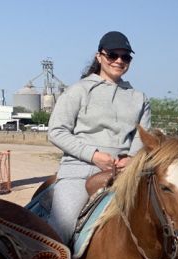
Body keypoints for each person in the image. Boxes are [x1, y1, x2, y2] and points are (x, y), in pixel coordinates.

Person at [47, 31, 150, 245]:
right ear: (99, 57)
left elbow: (142, 137)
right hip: (80, 170)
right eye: (113, 55)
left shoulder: (139, 98)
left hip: (125, 172)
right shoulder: (78, 90)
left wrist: (131, 158)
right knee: (61, 228)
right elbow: (56, 131)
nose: (119, 61)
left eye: (126, 57)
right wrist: (93, 156)